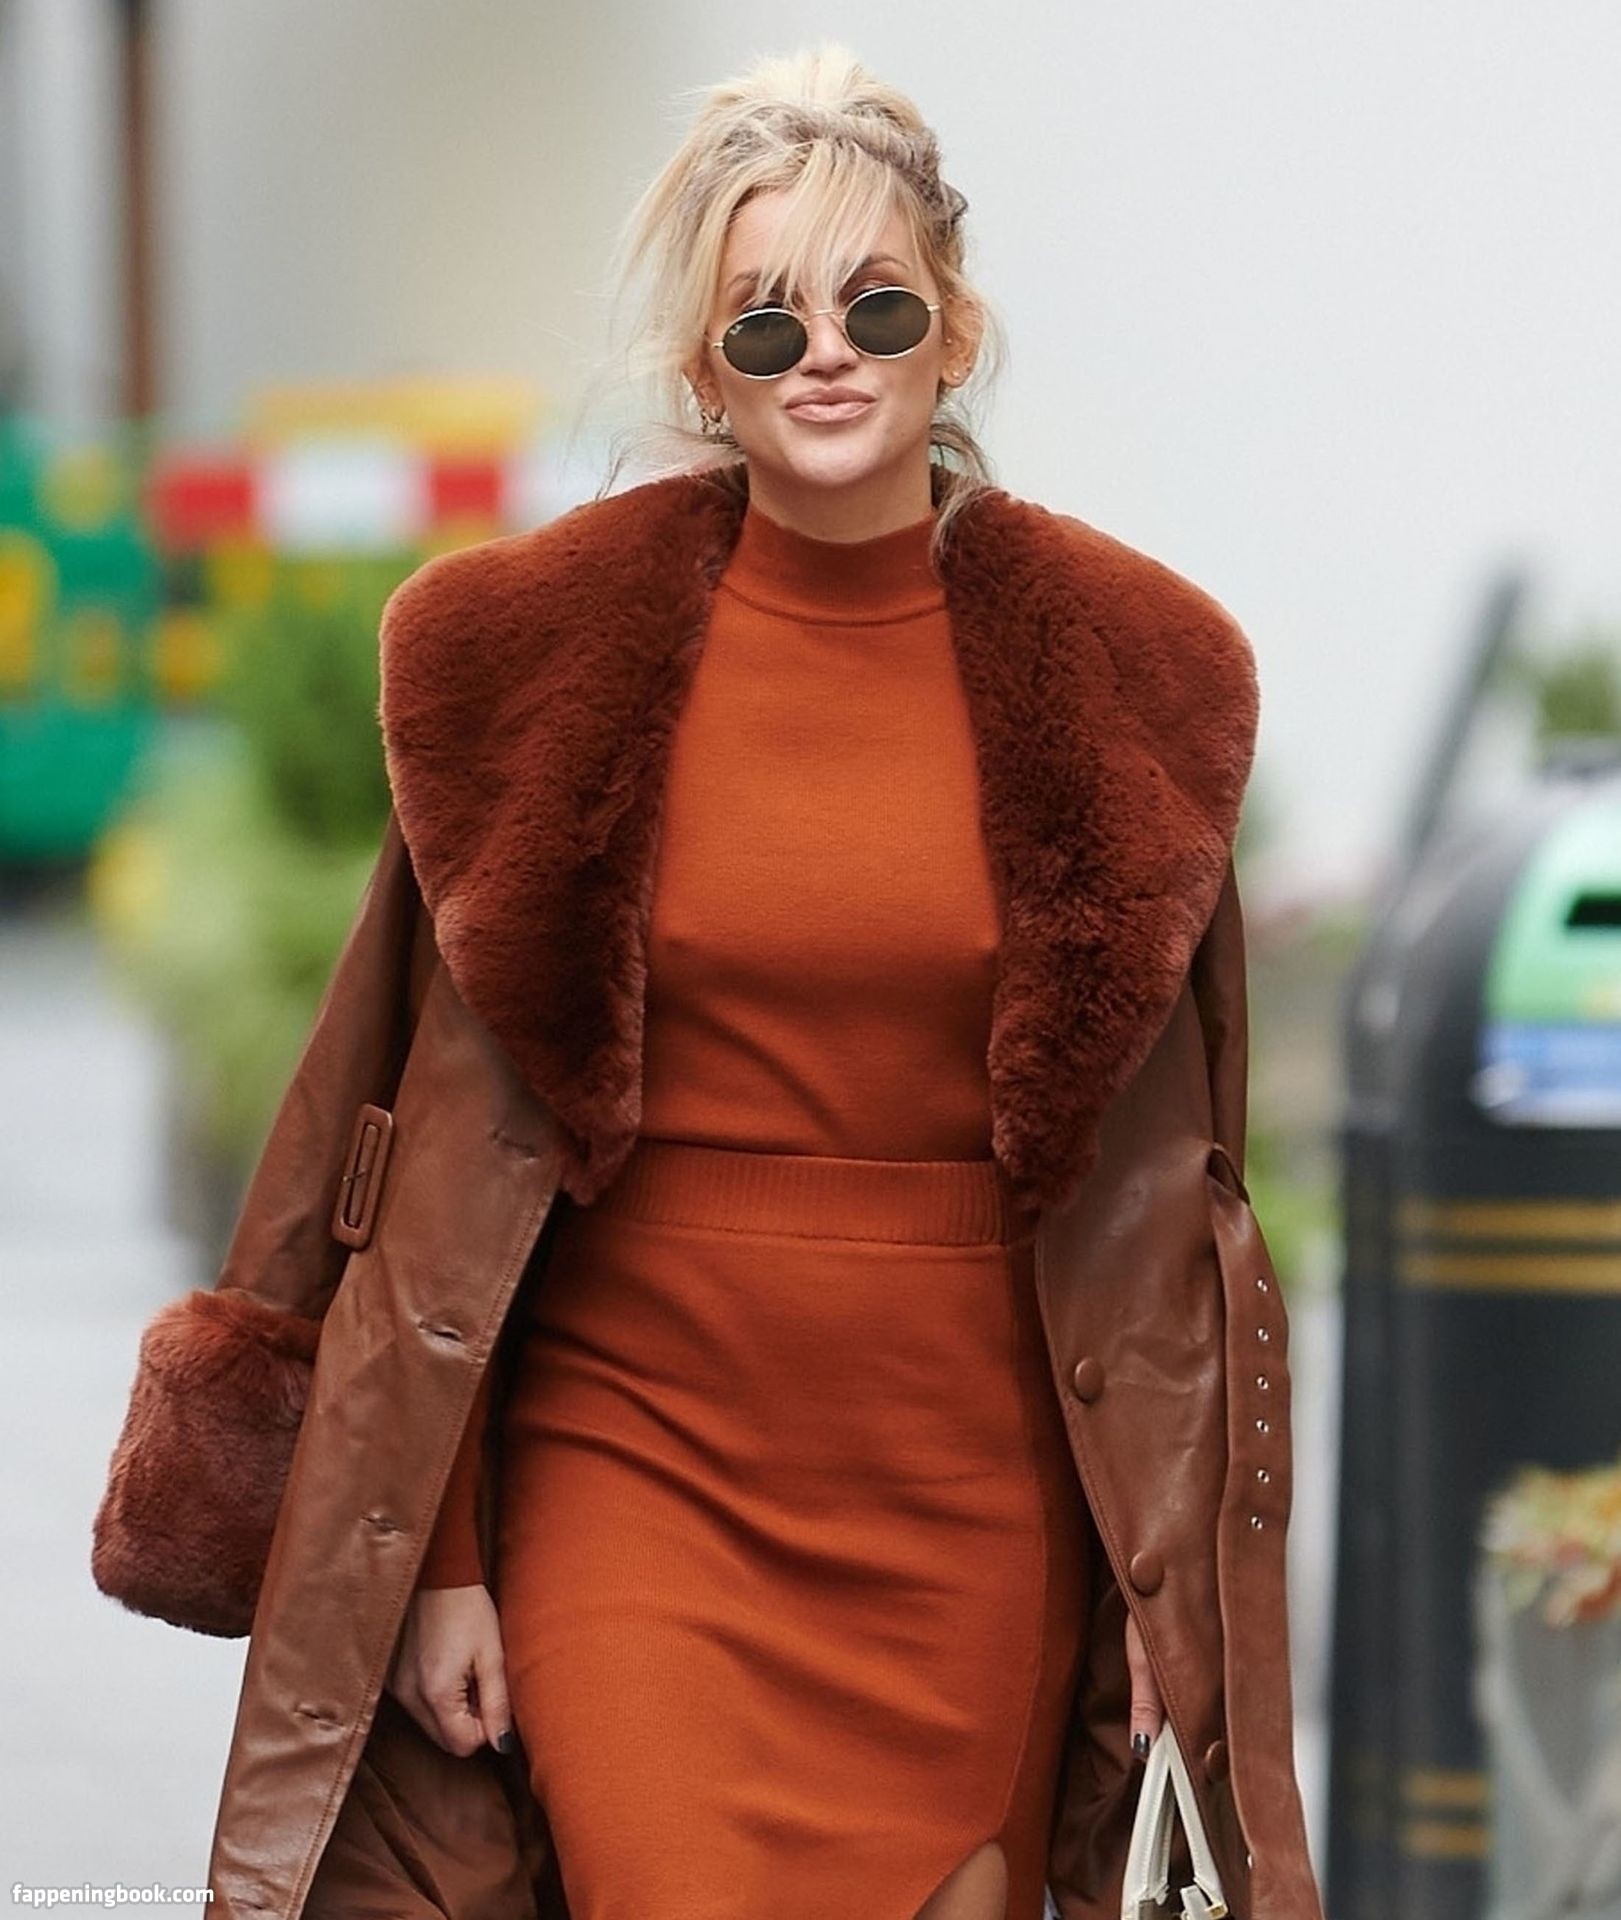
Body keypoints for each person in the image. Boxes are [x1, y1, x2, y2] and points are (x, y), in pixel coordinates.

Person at [385, 41, 1163, 1920]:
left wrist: (1168, 1576)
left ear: (950, 334)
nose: (824, 353)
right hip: (635, 1455)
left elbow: (1165, 1200)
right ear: (701, 375)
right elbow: (442, 1152)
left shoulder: (1123, 683)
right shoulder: (535, 671)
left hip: (970, 1488)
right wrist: (444, 1551)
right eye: (764, 321)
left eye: (873, 304)